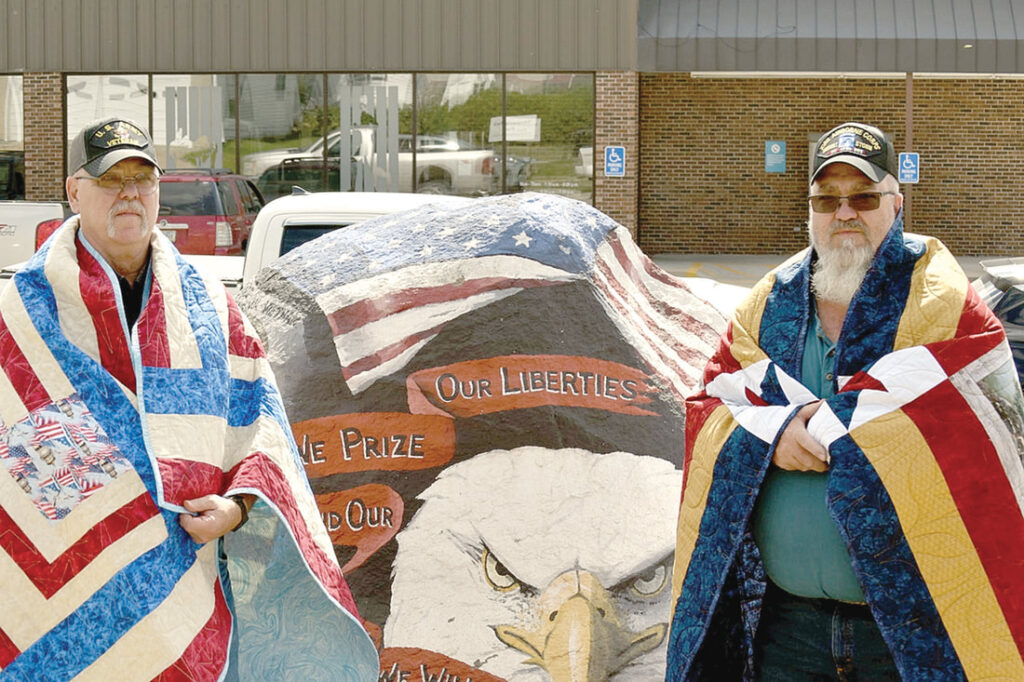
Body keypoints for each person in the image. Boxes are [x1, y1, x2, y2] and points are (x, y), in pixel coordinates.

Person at [0, 117, 378, 679]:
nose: (129, 193)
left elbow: (259, 426)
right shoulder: (22, 311)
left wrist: (237, 507)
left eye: (142, 179)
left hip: (188, 594)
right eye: (110, 180)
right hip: (65, 596)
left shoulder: (209, 307)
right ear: (74, 191)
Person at [666, 122, 1024, 680]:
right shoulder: (766, 306)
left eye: (862, 196)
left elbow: (987, 439)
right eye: (826, 199)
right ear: (810, 209)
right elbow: (709, 404)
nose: (844, 213)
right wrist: (770, 434)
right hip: (789, 631)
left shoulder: (948, 307)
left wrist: (836, 425)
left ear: (896, 203)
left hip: (916, 629)